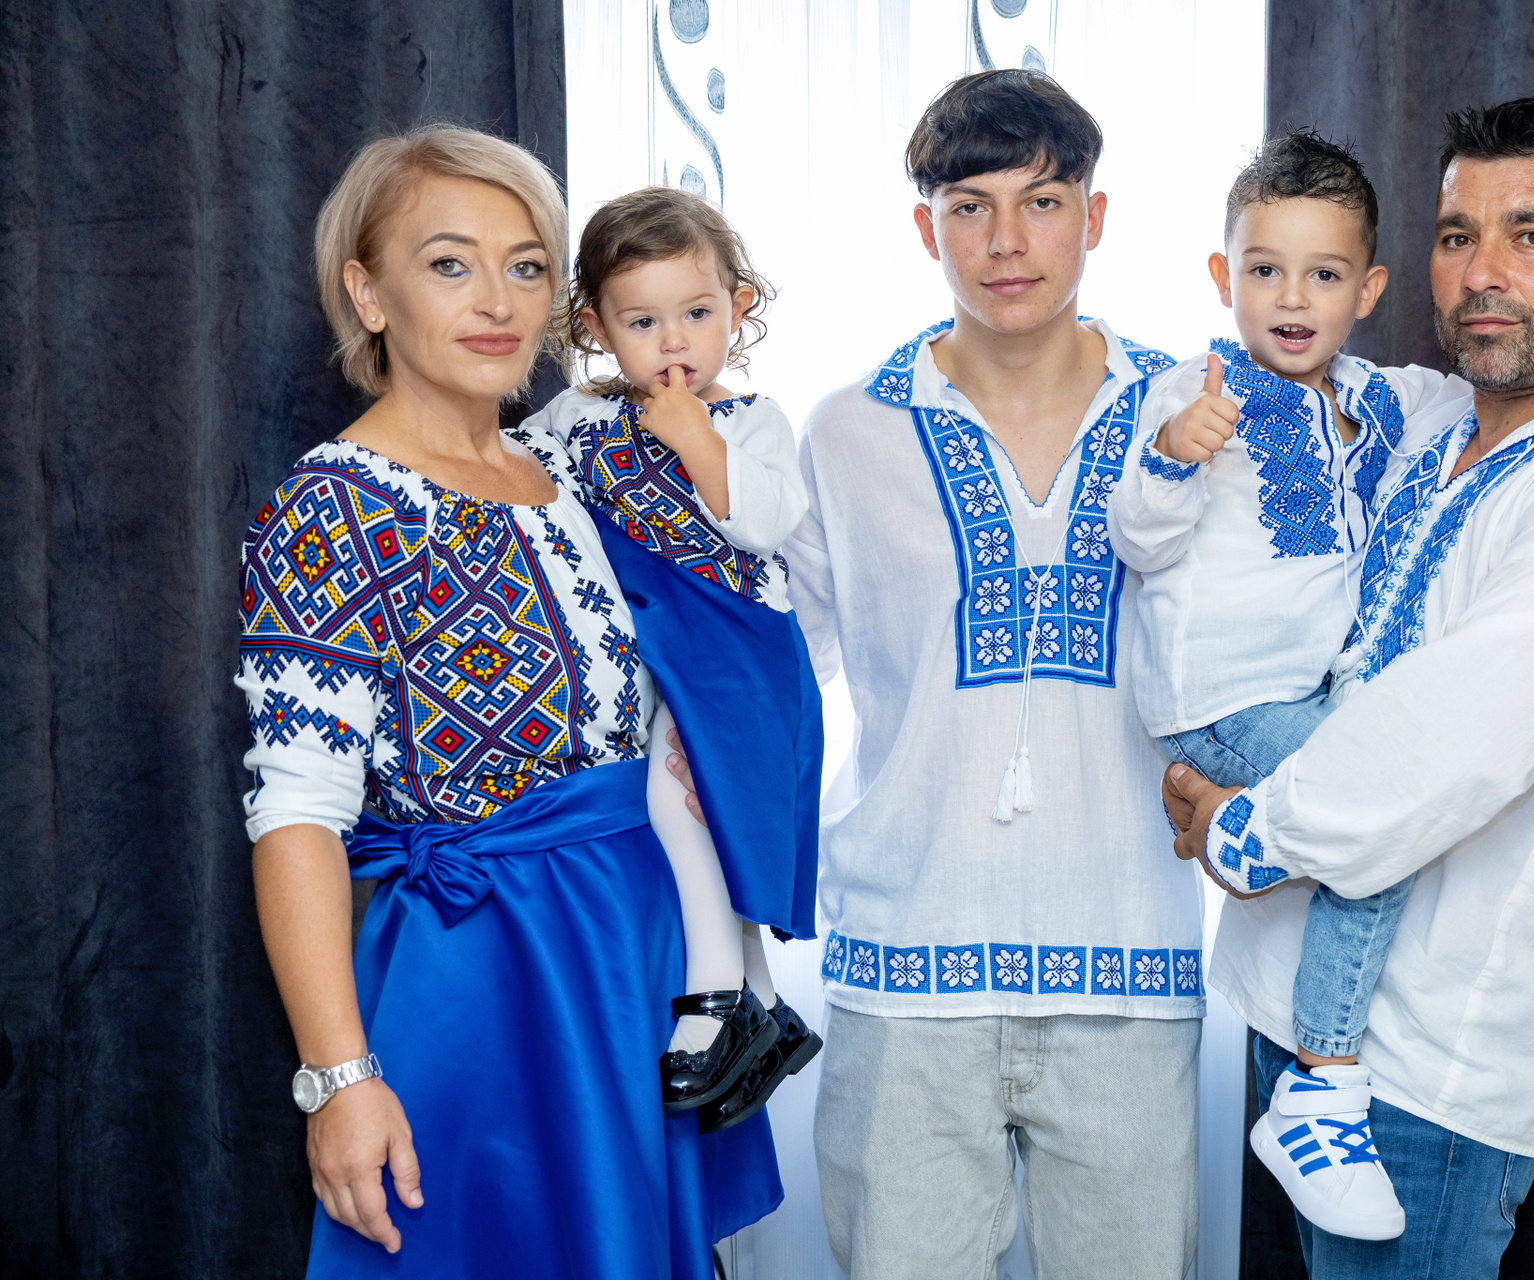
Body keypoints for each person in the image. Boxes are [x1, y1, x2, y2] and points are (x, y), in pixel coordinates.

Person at [1162, 97, 1534, 1277]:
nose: (1482, 272)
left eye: (1531, 235)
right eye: (1455, 234)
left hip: (1429, 1070)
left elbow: (1441, 748)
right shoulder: (1434, 427)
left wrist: (1236, 830)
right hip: (1291, 1021)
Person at [237, 126, 780, 1278]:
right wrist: (339, 1079)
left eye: (526, 265)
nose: (497, 300)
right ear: (367, 293)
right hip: (484, 978)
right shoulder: (338, 504)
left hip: (635, 953)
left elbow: (744, 615)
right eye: (450, 263)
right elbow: (296, 816)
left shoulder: (578, 463)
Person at [784, 70, 1204, 1278]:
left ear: (1096, 217)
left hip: (1129, 967)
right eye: (969, 206)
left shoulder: (1189, 415)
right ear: (928, 229)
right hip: (904, 969)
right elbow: (777, 672)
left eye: (1042, 201)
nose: (1006, 241)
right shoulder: (847, 431)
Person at [1106, 129, 1469, 1242]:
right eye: (1265, 269)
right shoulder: (1192, 390)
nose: (1293, 297)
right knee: (1382, 826)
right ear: (1225, 277)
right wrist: (1175, 452)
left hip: (1308, 700)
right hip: (1218, 702)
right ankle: (1324, 1082)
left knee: (1387, 811)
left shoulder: (1388, 398)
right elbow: (1137, 539)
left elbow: (1483, 397)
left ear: (1369, 289)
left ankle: (1254, 841)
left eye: (1323, 274)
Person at [520, 187, 822, 1133]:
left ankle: (718, 995)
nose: (674, 341)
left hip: (733, 645)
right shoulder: (574, 415)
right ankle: (764, 1004)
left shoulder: (751, 418)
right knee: (691, 810)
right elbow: (514, 485)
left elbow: (766, 523)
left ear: (738, 305)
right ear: (595, 327)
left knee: (679, 800)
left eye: (696, 312)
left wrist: (697, 440)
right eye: (642, 322)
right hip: (648, 649)